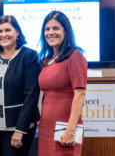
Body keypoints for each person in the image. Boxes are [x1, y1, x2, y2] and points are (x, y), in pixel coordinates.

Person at [0, 15, 40, 156]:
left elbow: (31, 95)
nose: (3, 35)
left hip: (17, 127)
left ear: (17, 32)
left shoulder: (28, 56)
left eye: (8, 30)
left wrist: (20, 130)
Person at [38, 11, 87, 155]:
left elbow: (80, 93)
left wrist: (70, 130)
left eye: (56, 28)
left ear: (66, 31)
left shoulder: (75, 56)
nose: (50, 32)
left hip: (65, 128)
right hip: (46, 126)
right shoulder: (46, 60)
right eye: (47, 29)